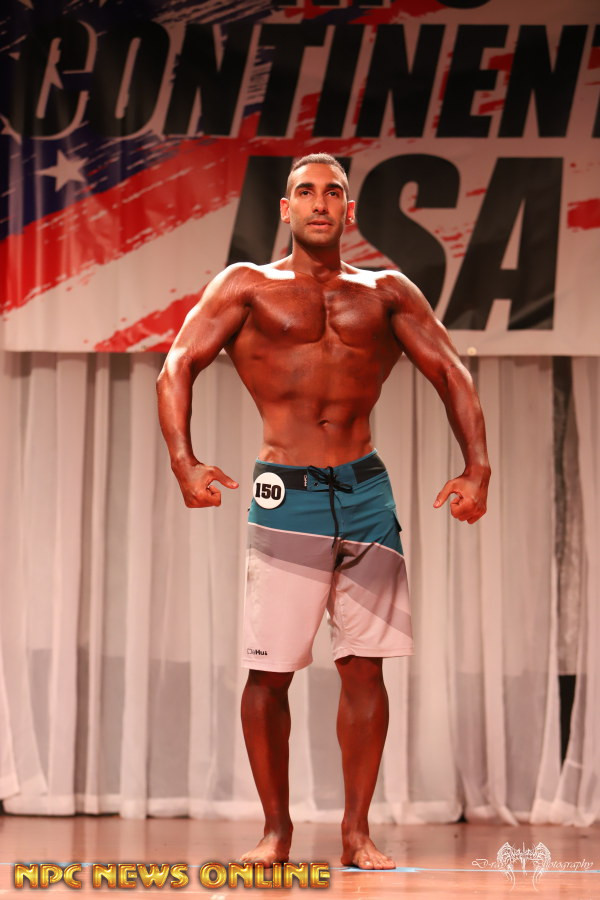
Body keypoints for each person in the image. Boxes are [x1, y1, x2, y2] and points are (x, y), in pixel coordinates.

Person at [156, 152, 490, 870]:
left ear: (349, 210)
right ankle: (275, 831)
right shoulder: (246, 285)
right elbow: (177, 364)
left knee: (365, 669)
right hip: (286, 494)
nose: (318, 203)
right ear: (285, 209)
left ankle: (356, 832)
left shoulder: (387, 292)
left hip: (367, 493)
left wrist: (478, 468)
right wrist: (184, 461)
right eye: (305, 192)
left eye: (332, 193)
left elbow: (450, 370)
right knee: (269, 671)